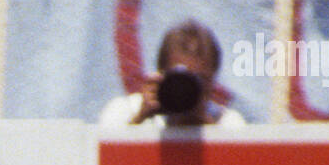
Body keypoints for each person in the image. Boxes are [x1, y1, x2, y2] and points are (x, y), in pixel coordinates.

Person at [99, 20, 245, 129]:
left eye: (199, 79)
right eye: (180, 78)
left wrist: (206, 128)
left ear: (213, 79)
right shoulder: (124, 111)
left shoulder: (228, 123)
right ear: (160, 74)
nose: (187, 88)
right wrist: (140, 120)